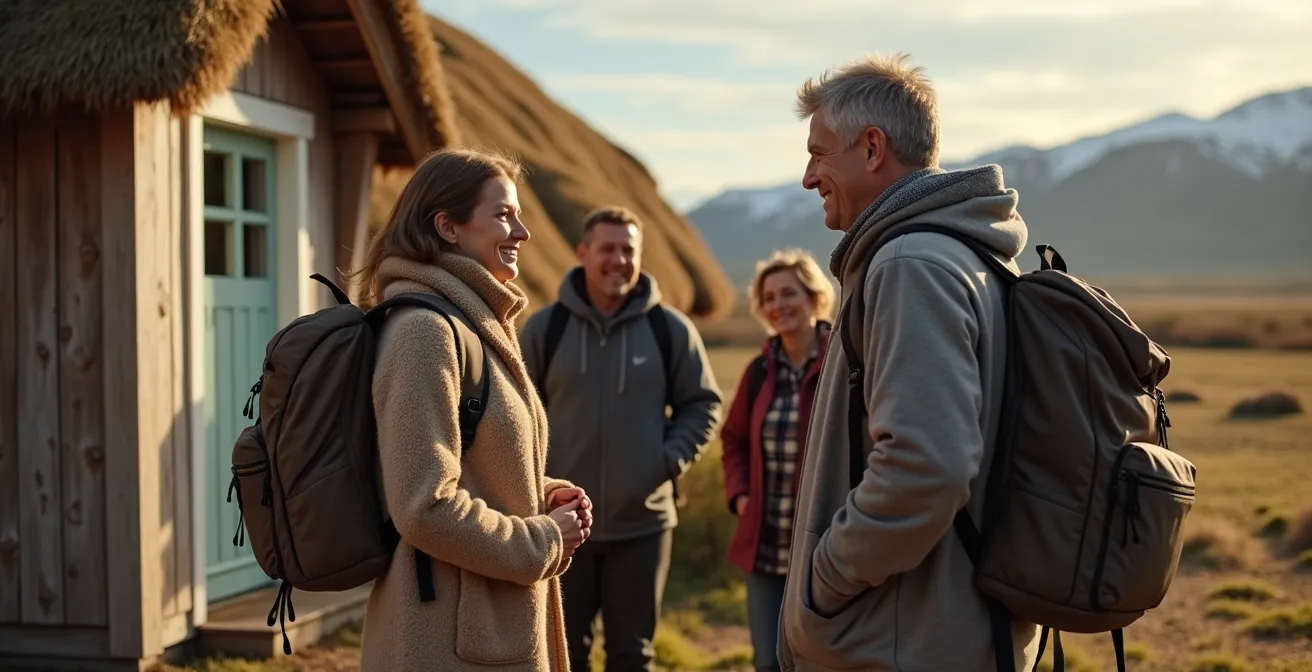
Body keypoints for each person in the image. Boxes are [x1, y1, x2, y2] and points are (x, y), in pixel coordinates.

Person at [775, 53, 1042, 671]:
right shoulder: (965, 253)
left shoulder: (909, 266)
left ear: (872, 148)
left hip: (903, 643)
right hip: (943, 631)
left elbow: (927, 467)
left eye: (819, 152)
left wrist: (824, 583)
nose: (809, 176)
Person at [354, 148, 593, 672]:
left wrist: (541, 493)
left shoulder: (473, 325)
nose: (523, 232)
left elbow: (469, 466)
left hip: (481, 629)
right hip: (444, 640)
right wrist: (545, 538)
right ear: (448, 227)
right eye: (504, 214)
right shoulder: (426, 334)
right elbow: (424, 505)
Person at [519, 205, 723, 671]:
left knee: (633, 656)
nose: (619, 260)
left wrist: (664, 461)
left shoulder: (669, 329)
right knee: (562, 652)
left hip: (644, 525)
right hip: (563, 525)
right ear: (583, 253)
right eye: (607, 249)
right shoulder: (545, 329)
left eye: (628, 249)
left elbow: (702, 404)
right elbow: (519, 416)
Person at [719, 249, 834, 672]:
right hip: (765, 547)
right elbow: (732, 440)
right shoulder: (758, 373)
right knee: (768, 662)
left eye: (789, 293)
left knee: (825, 661)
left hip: (827, 548)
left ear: (814, 298)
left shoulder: (844, 365)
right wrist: (740, 496)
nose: (778, 305)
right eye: (769, 297)